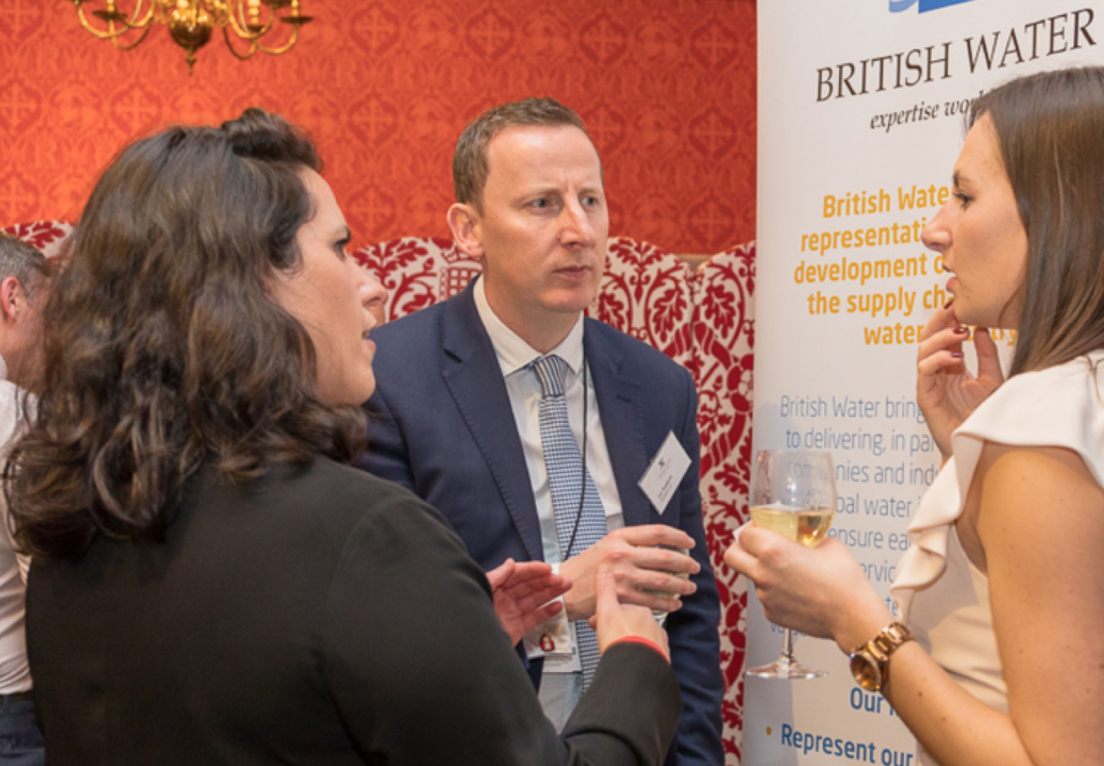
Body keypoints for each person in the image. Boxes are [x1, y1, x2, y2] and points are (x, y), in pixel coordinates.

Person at [7, 108, 683, 765]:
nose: (372, 283)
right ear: (253, 287)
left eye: (590, 200)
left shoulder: (76, 525)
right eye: (339, 248)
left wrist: (457, 640)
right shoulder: (370, 538)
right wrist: (636, 657)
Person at [726, 66, 1104, 766]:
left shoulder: (1047, 430)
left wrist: (856, 623)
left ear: (1062, 214)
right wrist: (974, 460)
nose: (933, 230)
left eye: (964, 196)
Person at [359, 97, 724, 764]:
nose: (578, 230)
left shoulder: (660, 387)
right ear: (468, 230)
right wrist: (557, 596)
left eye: (591, 200)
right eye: (542, 204)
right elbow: (383, 620)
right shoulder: (387, 381)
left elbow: (688, 605)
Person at [0, 234, 51, 766]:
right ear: (12, 298)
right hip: (10, 709)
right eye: (49, 312)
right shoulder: (16, 414)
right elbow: (44, 572)